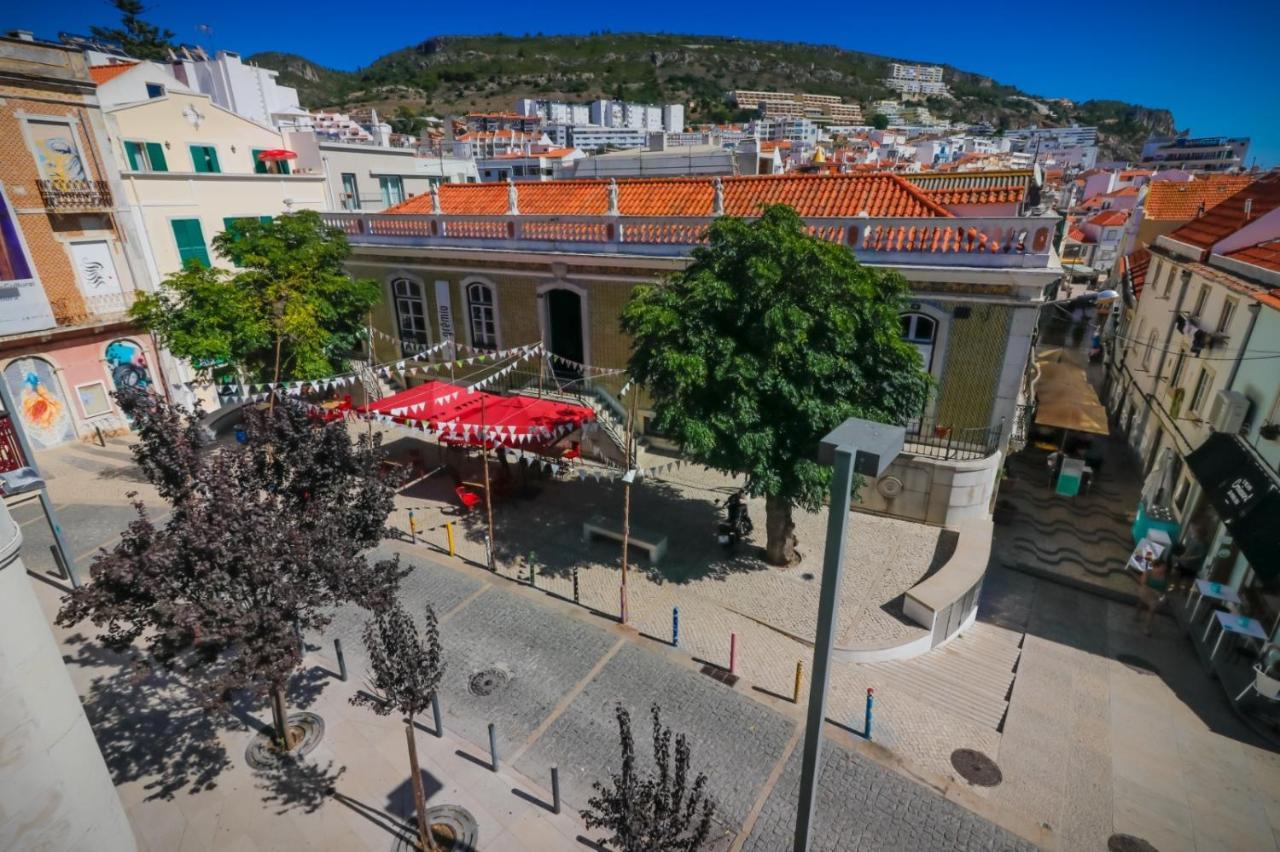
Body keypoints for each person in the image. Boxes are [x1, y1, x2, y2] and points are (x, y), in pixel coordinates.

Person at [1135, 556, 1170, 636]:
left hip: (1156, 596)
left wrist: (1163, 596)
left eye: (1165, 567)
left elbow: (1165, 590)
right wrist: (1155, 592)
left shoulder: (1165, 577)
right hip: (1146, 591)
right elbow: (1143, 584)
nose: (1164, 569)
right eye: (1162, 567)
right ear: (1156, 566)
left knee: (1153, 608)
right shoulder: (1148, 572)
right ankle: (1137, 613)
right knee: (1141, 603)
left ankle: (1146, 627)